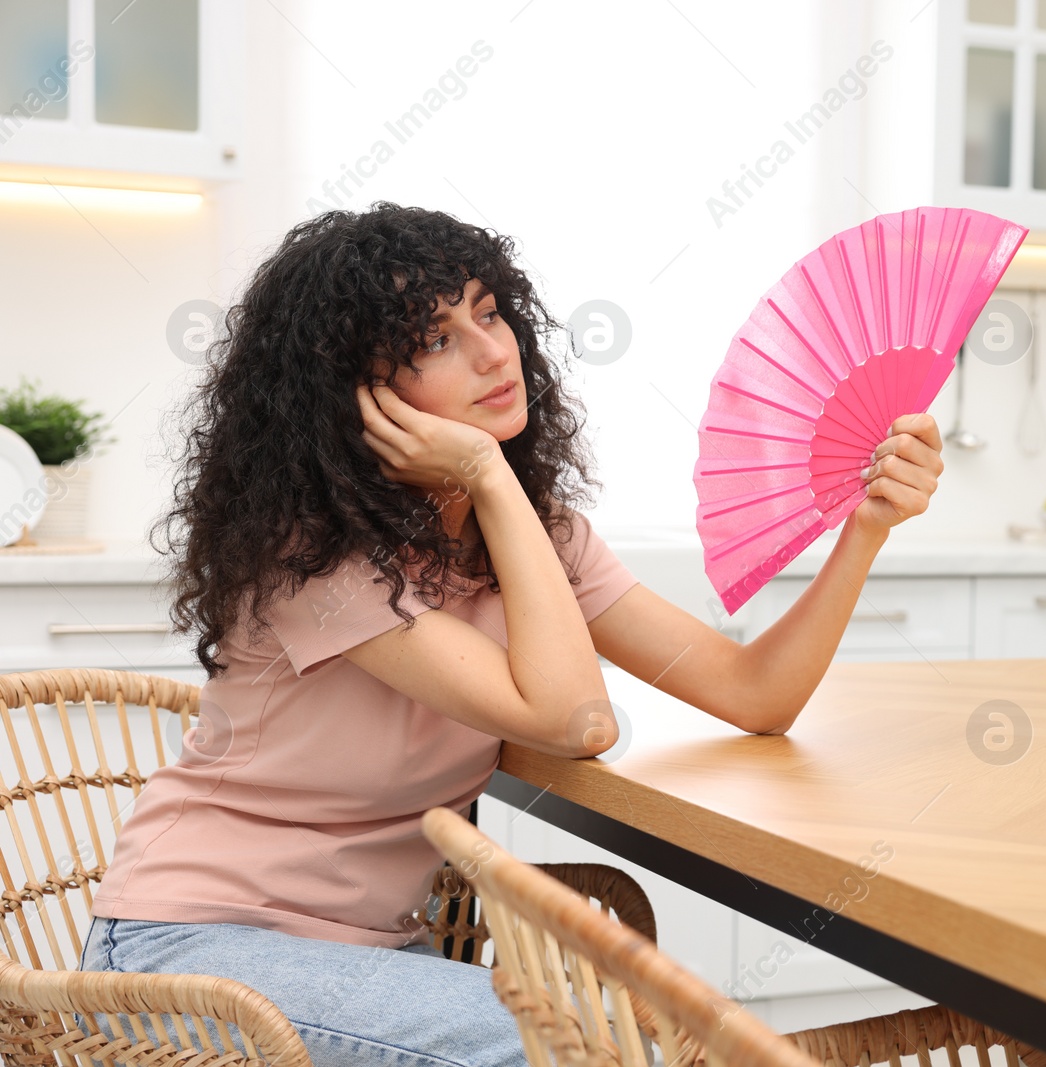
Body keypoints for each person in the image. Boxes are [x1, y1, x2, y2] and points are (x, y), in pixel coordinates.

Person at [77, 201, 945, 1066]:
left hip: (373, 951)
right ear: (359, 397)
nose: (496, 352)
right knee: (572, 1045)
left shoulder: (539, 539)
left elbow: (756, 694)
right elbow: (578, 720)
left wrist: (865, 526)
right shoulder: (312, 558)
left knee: (617, 1032)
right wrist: (488, 473)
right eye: (436, 338)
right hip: (193, 947)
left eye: (490, 313)